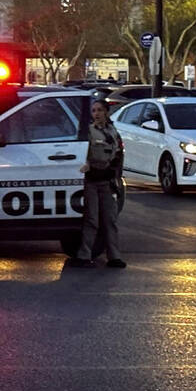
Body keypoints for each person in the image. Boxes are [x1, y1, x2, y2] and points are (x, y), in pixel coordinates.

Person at [72, 99, 126, 268]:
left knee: (110, 219)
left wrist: (115, 174)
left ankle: (114, 256)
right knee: (92, 219)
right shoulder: (88, 132)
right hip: (91, 180)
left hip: (107, 180)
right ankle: (84, 255)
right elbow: (83, 155)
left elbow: (118, 153)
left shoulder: (112, 131)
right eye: (94, 110)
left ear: (106, 112)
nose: (96, 113)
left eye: (100, 110)